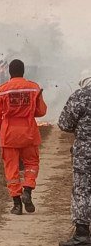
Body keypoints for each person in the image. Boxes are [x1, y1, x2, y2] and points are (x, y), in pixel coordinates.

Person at [0, 59, 47, 215]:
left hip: (8, 133)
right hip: (29, 132)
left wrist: (0, 131)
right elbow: (41, 111)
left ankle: (17, 205)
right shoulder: (34, 88)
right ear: (24, 71)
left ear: (9, 72)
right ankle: (28, 190)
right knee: (31, 163)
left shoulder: (2, 90)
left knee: (12, 169)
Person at [58, 70, 91, 246]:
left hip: (85, 154)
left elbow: (64, 123)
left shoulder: (79, 96)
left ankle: (82, 234)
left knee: (82, 189)